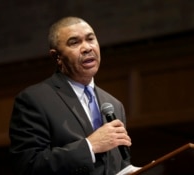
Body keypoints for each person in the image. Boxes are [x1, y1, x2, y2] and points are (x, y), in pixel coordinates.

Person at [9, 16, 135, 175]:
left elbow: (119, 165)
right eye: (74, 42)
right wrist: (89, 146)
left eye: (90, 39)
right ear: (57, 56)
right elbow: (28, 166)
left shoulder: (114, 105)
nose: (87, 48)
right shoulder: (35, 100)